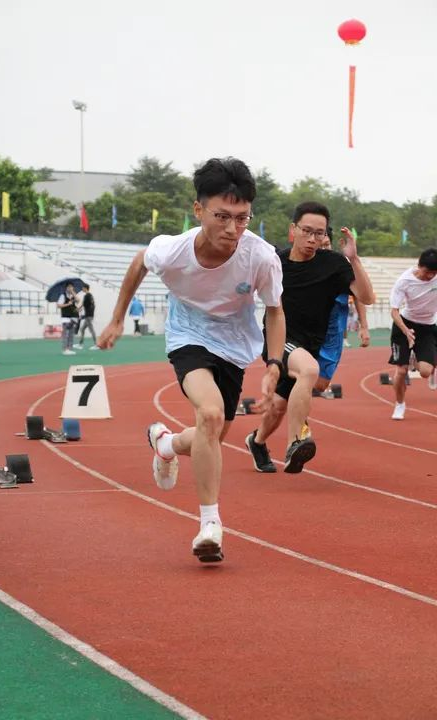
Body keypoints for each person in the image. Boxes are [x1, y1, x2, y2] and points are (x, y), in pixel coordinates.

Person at [98, 157, 285, 563]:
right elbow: (139, 263)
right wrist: (116, 319)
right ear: (198, 210)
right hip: (188, 335)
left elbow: (274, 310)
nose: (233, 228)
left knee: (211, 435)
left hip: (235, 345)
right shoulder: (173, 251)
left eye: (242, 218)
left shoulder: (261, 257)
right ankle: (210, 525)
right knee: (211, 414)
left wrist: (274, 363)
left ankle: (166, 444)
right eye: (222, 216)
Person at [245, 202, 374, 474]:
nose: (313, 239)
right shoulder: (275, 262)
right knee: (309, 370)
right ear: (293, 229)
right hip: (280, 339)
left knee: (279, 406)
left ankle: (256, 442)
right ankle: (297, 441)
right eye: (307, 231)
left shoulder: (334, 264)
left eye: (319, 233)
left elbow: (367, 297)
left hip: (312, 343)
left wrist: (354, 259)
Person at [313, 228, 370, 397]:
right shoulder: (303, 265)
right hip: (306, 331)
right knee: (301, 374)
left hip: (332, 334)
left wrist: (364, 326)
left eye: (327, 245)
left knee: (321, 385)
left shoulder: (341, 266)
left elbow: (360, 295)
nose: (323, 249)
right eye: (320, 246)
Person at [388, 248, 437, 420]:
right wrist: (406, 331)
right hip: (404, 325)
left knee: (425, 372)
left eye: (434, 273)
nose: (430, 276)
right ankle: (400, 404)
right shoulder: (404, 281)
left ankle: (417, 358)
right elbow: (394, 311)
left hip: (427, 327)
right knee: (401, 371)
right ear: (419, 265)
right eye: (427, 272)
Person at [57, 282, 80, 355]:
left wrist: (73, 292)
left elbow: (78, 300)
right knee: (66, 333)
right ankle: (65, 349)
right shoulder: (62, 295)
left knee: (71, 334)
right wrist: (67, 304)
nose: (70, 288)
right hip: (65, 317)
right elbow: (59, 305)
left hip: (73, 317)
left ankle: (69, 349)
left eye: (71, 287)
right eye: (69, 287)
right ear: (66, 288)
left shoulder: (73, 296)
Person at [77, 283, 99, 350]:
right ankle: (80, 344)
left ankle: (96, 344)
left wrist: (77, 309)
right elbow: (91, 305)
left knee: (91, 330)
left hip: (88, 316)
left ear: (85, 288)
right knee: (82, 329)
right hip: (89, 315)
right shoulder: (90, 295)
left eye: (83, 288)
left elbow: (83, 304)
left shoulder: (87, 296)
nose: (82, 289)